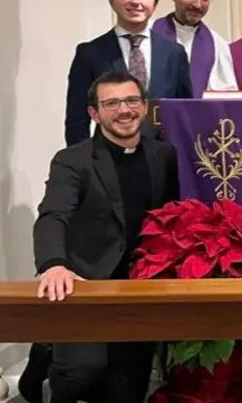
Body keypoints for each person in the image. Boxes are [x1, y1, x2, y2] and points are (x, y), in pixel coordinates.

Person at [29, 71, 179, 403]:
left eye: (131, 100)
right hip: (86, 281)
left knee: (127, 391)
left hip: (138, 286)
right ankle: (45, 362)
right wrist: (54, 264)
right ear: (95, 113)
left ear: (144, 106)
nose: (124, 110)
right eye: (111, 103)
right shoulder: (73, 160)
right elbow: (53, 215)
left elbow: (173, 215)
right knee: (83, 370)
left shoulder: (163, 155)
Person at [64, 0, 193, 145]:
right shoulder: (89, 53)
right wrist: (81, 164)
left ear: (154, 4)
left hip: (162, 156)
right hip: (108, 156)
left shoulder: (174, 53)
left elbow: (184, 113)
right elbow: (77, 118)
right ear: (111, 0)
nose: (135, 1)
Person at [150, 0, 236, 94]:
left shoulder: (217, 43)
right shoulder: (149, 31)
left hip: (196, 114)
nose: (198, 4)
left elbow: (226, 94)